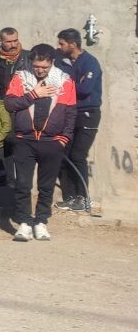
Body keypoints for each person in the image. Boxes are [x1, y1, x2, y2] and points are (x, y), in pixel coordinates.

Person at [5, 44, 77, 242]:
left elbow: (71, 112)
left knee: (46, 186)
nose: (39, 71)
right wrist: (33, 95)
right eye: (36, 66)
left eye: (44, 67)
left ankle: (41, 222)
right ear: (31, 62)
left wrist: (64, 138)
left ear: (52, 63)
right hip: (24, 140)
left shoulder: (64, 81)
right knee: (23, 184)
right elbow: (10, 104)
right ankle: (25, 223)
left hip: (52, 142)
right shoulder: (20, 77)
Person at [54, 28, 102, 212]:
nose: (59, 47)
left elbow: (85, 89)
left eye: (62, 43)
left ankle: (83, 198)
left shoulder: (90, 62)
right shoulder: (61, 61)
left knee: (78, 155)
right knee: (64, 154)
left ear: (72, 44)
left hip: (87, 113)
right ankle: (70, 197)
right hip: (68, 112)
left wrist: (65, 84)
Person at [0, 27, 30, 98]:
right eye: (9, 42)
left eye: (15, 40)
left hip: (20, 103)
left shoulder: (28, 57)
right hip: (0, 102)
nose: (13, 45)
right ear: (0, 41)